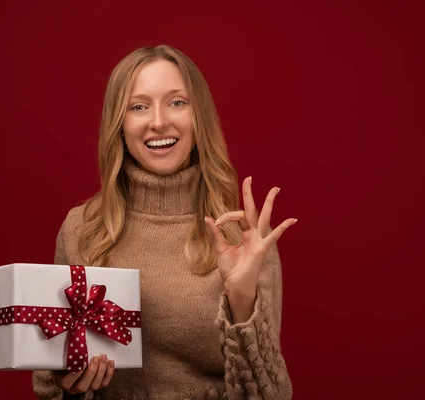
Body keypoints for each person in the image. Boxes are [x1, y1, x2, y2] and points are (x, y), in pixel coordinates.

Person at [32, 44, 297, 399]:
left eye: (177, 102)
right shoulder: (82, 228)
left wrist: (241, 297)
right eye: (138, 106)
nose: (158, 121)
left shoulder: (243, 238)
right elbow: (48, 384)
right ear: (119, 123)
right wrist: (73, 388)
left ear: (198, 116)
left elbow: (270, 396)